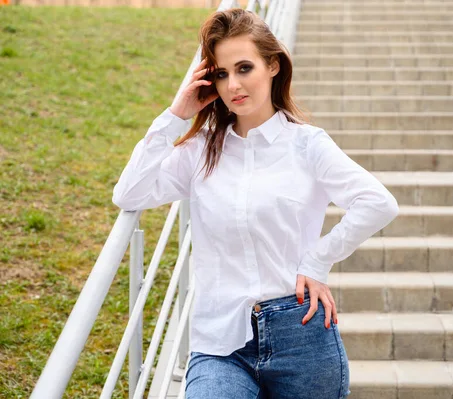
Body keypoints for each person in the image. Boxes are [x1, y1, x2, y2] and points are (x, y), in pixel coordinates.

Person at [112, 7, 399, 399]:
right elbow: (129, 194)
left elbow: (378, 202)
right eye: (221, 73)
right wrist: (176, 116)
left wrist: (318, 261)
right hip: (220, 344)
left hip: (301, 332)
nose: (233, 85)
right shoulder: (201, 150)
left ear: (273, 66)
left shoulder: (307, 145)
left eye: (244, 68)